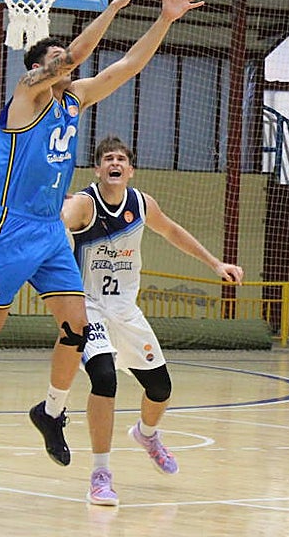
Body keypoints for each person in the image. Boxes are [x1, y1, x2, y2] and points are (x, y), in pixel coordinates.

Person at [0, 0, 205, 482]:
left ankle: (51, 411)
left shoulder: (74, 100)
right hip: (10, 229)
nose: (69, 64)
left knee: (78, 328)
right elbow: (76, 55)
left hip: (50, 234)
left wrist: (165, 19)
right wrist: (117, 5)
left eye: (65, 60)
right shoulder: (26, 97)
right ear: (39, 69)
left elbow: (127, 65)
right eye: (57, 60)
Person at [63, 136, 244, 505]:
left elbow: (174, 232)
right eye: (108, 158)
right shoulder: (84, 204)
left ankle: (146, 434)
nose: (115, 163)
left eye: (122, 159)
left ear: (130, 170)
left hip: (126, 311)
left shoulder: (142, 204)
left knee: (160, 389)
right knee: (103, 377)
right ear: (98, 169)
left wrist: (215, 263)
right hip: (89, 308)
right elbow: (58, 222)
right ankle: (100, 474)